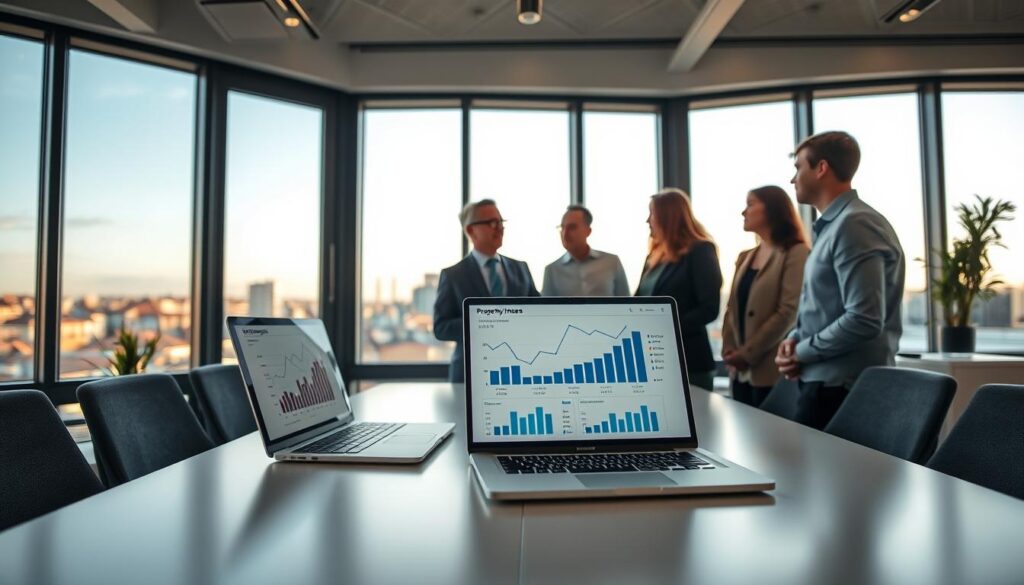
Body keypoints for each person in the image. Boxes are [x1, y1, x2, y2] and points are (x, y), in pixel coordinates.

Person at [775, 131, 905, 429]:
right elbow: (824, 306)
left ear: (821, 168)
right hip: (824, 383)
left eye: (798, 168)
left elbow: (864, 317)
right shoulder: (835, 227)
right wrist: (795, 338)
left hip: (841, 389)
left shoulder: (855, 224)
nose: (792, 179)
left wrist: (802, 351)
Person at [721, 186, 810, 407]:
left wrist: (747, 354)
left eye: (750, 204)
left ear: (772, 209)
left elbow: (788, 311)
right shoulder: (745, 257)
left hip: (771, 372)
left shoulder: (796, 253)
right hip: (740, 373)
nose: (744, 212)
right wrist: (730, 351)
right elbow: (732, 309)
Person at [434, 199, 539, 382]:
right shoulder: (453, 275)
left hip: (520, 371)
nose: (499, 228)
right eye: (492, 222)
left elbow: (538, 312)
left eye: (501, 222)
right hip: (470, 374)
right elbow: (441, 328)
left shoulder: (521, 268)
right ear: (471, 230)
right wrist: (482, 320)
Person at [635, 188, 722, 391]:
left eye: (652, 213)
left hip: (689, 359)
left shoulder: (701, 251)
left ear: (668, 216)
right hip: (654, 359)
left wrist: (666, 327)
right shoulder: (654, 257)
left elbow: (709, 308)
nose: (648, 220)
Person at [542, 205, 630, 297]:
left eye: (572, 227)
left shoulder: (612, 262)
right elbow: (546, 310)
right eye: (562, 227)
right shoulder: (552, 270)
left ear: (588, 231)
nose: (565, 233)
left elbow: (627, 303)